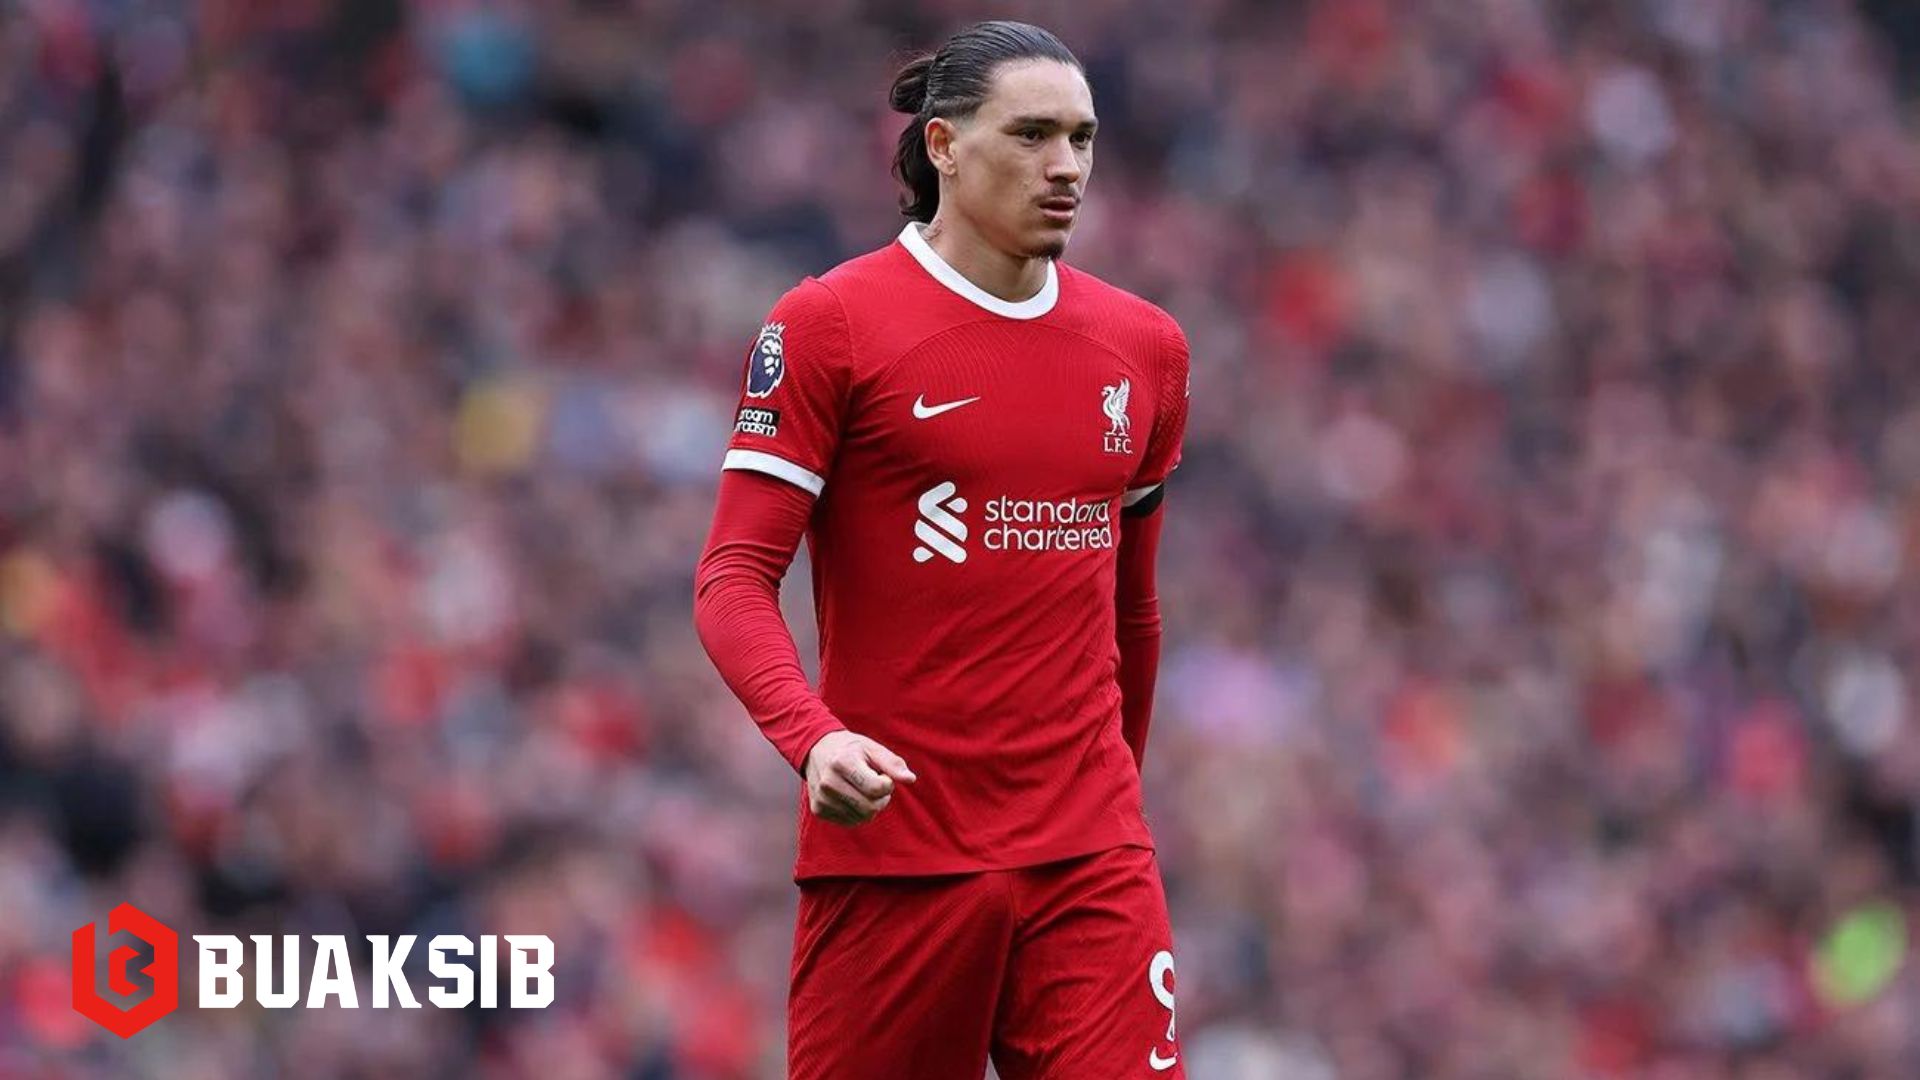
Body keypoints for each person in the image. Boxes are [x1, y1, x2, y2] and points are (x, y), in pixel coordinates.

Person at [693, 20, 1190, 1079]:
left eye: (1083, 138)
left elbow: (1133, 612)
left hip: (1088, 860)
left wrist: (1114, 806)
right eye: (1032, 135)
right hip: (900, 854)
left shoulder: (1144, 348)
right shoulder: (831, 323)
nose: (1067, 166)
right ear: (944, 145)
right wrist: (814, 740)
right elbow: (732, 579)